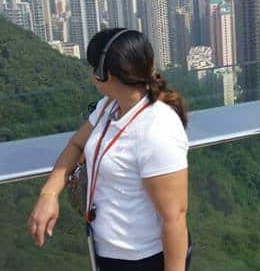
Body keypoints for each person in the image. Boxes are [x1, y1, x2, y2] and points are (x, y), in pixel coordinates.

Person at [28, 28, 190, 270]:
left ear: (107, 75)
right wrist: (49, 194)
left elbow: (174, 218)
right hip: (106, 250)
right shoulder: (110, 107)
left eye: (94, 67)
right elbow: (77, 144)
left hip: (143, 260)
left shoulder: (156, 130)